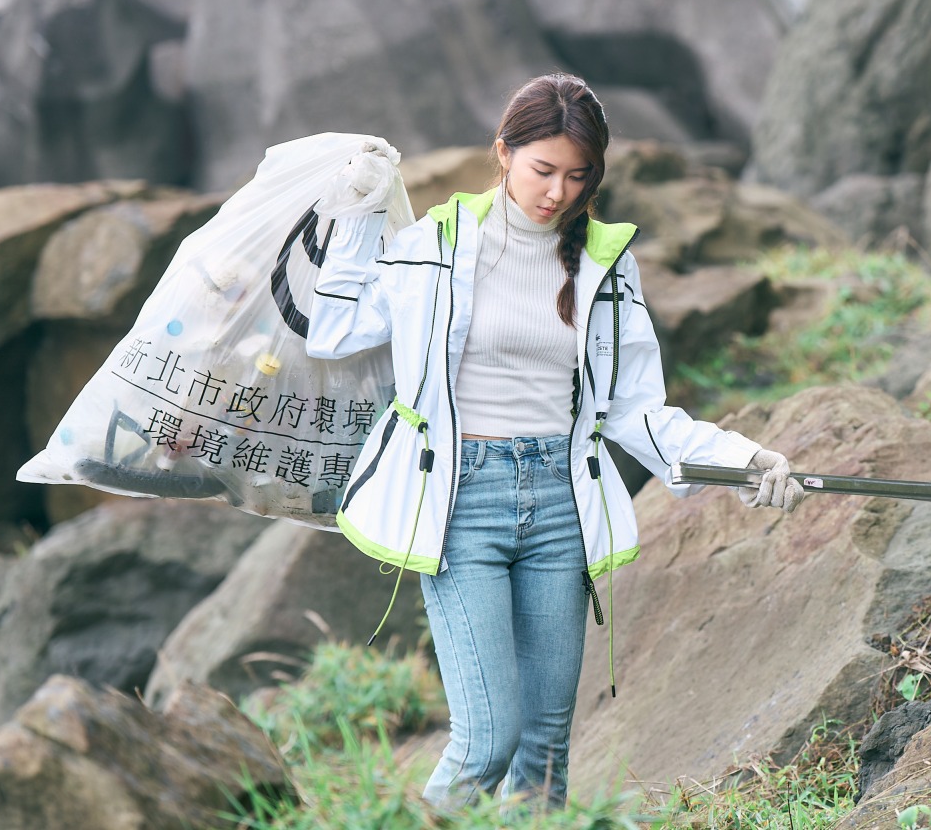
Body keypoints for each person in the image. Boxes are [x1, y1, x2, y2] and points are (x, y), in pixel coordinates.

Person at [305, 73, 803, 807]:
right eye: (543, 170)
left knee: (542, 754)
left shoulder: (607, 262)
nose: (558, 193)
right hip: (459, 500)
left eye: (578, 176)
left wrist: (746, 458)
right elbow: (336, 328)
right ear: (502, 153)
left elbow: (638, 409)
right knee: (488, 740)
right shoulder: (436, 244)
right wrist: (356, 212)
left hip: (559, 505)